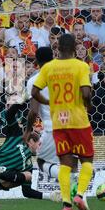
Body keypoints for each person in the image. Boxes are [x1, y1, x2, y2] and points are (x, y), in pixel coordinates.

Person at [32, 33, 93, 210]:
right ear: (75, 48)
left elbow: (35, 92)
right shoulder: (81, 66)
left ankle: (66, 205)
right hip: (79, 121)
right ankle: (80, 195)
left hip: (59, 122)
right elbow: (86, 93)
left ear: (57, 48)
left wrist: (48, 102)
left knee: (65, 164)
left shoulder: (49, 67)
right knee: (86, 160)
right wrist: (87, 105)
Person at [24, 47, 59, 180]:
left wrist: (27, 130)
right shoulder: (66, 75)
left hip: (53, 127)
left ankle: (71, 179)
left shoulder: (35, 80)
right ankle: (73, 198)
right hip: (75, 124)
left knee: (42, 162)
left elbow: (34, 111)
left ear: (37, 61)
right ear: (53, 58)